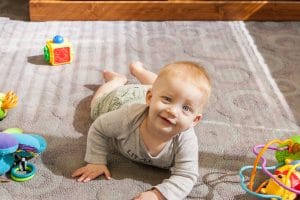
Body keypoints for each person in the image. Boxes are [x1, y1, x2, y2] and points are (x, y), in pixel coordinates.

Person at [72, 61, 211, 200]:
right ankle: (117, 80)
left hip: (151, 95)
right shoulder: (127, 118)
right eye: (167, 100)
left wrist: (158, 195)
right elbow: (99, 128)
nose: (173, 111)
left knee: (167, 87)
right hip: (122, 99)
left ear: (194, 121)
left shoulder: (186, 140)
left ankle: (139, 71)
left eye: (186, 108)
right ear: (149, 98)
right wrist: (96, 161)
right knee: (96, 105)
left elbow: (186, 175)